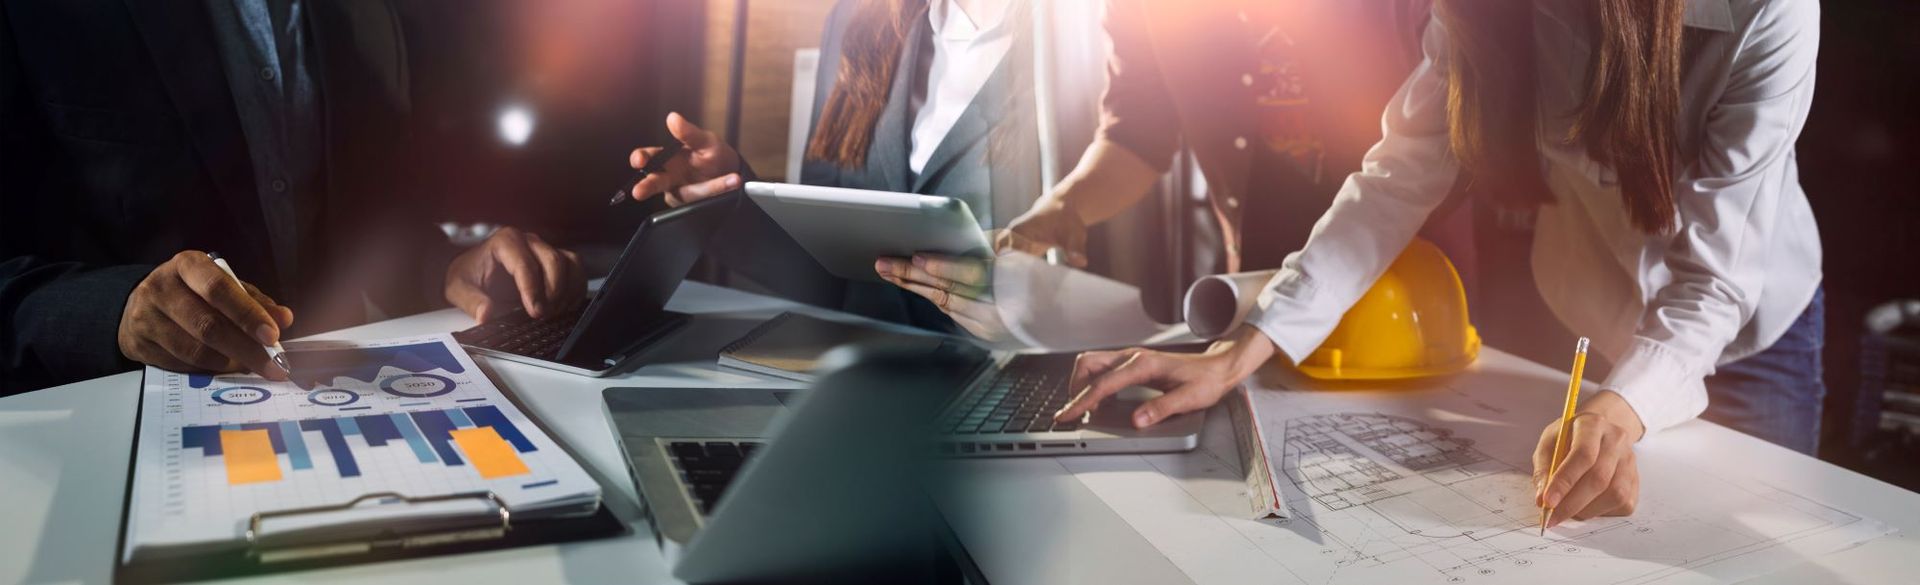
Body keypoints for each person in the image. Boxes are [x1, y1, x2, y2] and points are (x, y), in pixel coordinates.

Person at [1055, 0, 1824, 531]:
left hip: (1746, 340)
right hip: (1585, 312)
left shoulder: (1767, 11)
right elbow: (1399, 177)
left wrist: (1617, 412)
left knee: (1756, 548)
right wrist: (1239, 351)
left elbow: (1712, 283)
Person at [0, 1, 583, 393]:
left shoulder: (367, 14)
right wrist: (115, 313)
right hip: (106, 419)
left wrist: (446, 265)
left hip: (339, 396)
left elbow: (372, 214)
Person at [622, 0, 1041, 341]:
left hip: (1009, 386)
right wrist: (727, 199)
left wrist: (1037, 324)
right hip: (852, 370)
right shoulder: (859, 20)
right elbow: (826, 273)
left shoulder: (1068, 46)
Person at [1001, 1, 1433, 275]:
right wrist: (1064, 206)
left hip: (1418, 266)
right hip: (1260, 279)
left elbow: (1444, 130)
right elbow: (1137, 136)